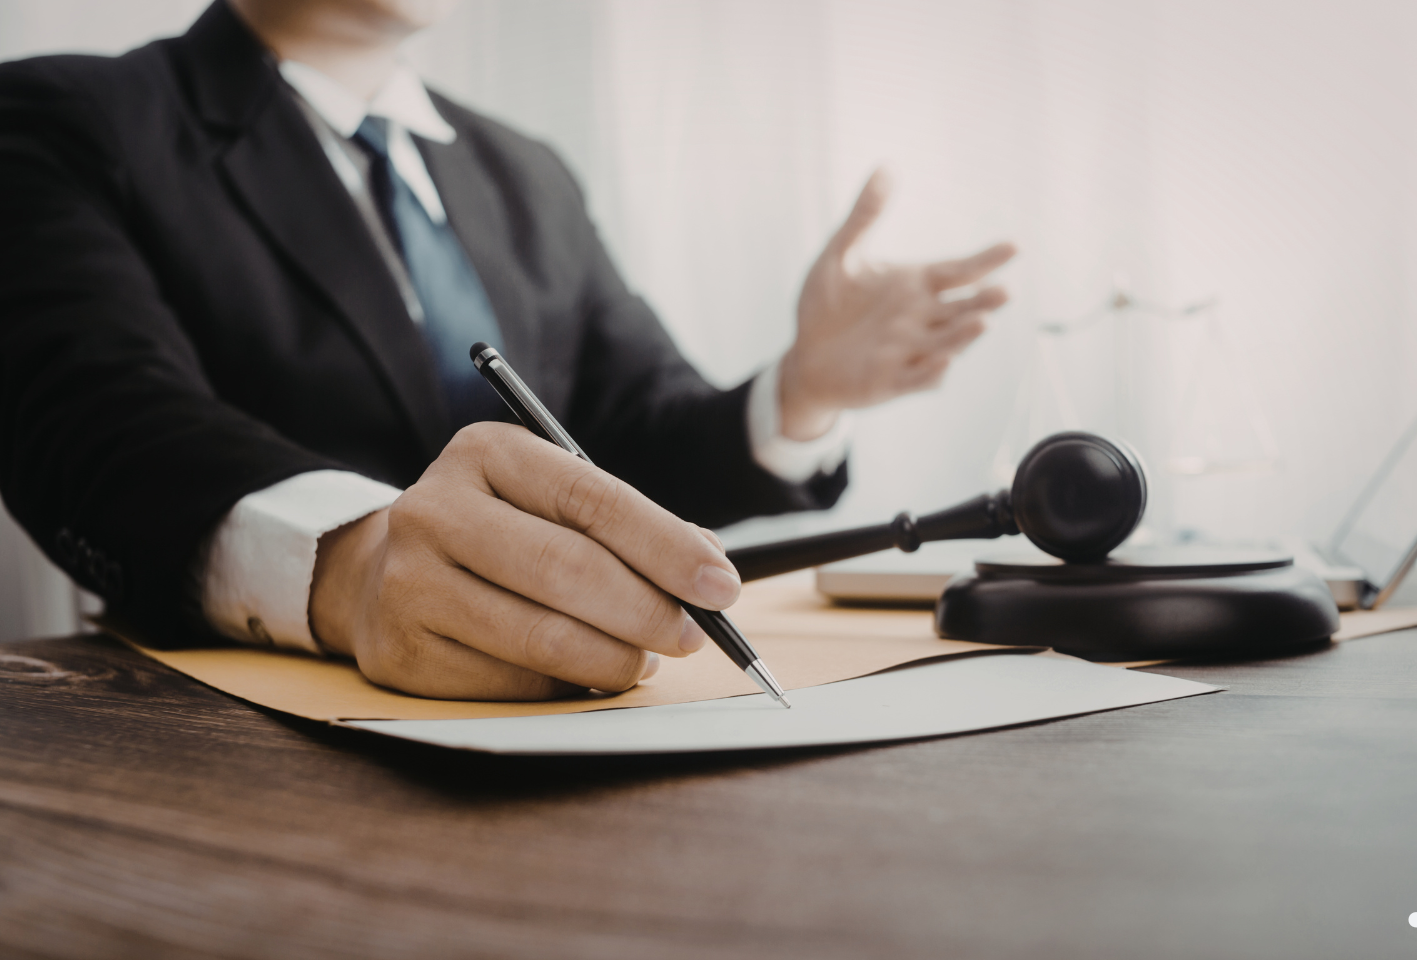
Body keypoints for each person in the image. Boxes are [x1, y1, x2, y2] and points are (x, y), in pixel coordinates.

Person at [0, 0, 1014, 700]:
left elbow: (625, 443)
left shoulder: (527, 174)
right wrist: (358, 570)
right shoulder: (63, 118)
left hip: (568, 726)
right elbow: (97, 413)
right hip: (233, 744)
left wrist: (795, 394)